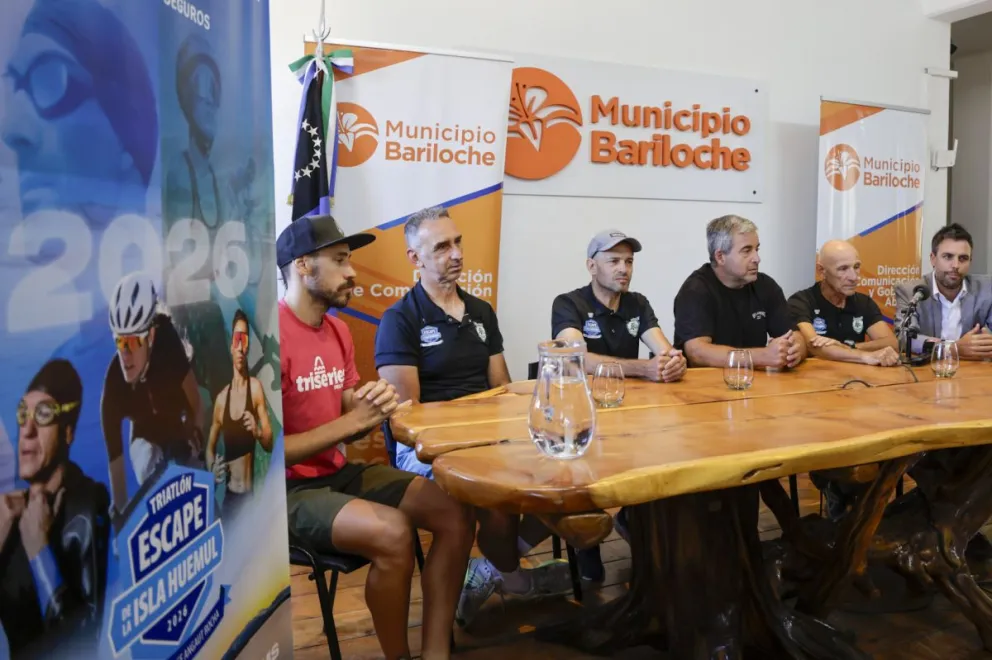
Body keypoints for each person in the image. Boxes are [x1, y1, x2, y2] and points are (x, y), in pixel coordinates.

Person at [278, 213, 473, 660]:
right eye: (341, 260)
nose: (351, 273)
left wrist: (371, 402)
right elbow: (266, 455)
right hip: (285, 491)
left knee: (455, 513)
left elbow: (347, 404)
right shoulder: (268, 336)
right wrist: (352, 422)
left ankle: (436, 650)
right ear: (304, 265)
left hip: (337, 472)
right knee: (392, 532)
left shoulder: (338, 329)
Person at [375, 206, 570, 628]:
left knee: (570, 480)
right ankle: (515, 579)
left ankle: (491, 570)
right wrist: (477, 431)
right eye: (442, 246)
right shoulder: (400, 320)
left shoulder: (481, 312)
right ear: (415, 259)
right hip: (427, 448)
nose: (456, 253)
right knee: (498, 498)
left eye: (458, 242)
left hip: (489, 436)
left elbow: (501, 389)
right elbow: (408, 420)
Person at [549, 228, 686, 580]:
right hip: (581, 415)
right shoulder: (568, 303)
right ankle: (586, 543)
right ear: (591, 266)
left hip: (629, 412)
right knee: (584, 467)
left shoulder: (637, 303)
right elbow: (579, 359)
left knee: (665, 451)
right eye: (614, 261)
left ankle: (633, 518)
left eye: (628, 261)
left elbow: (663, 349)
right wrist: (645, 369)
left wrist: (673, 361)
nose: (623, 268)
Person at [1, 359, 110, 657]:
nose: (27, 429)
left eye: (44, 414)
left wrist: (40, 552)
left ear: (68, 432)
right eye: (23, 414)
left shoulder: (87, 507)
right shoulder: (8, 515)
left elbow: (89, 642)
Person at [101, 272, 204, 529]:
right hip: (145, 433)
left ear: (152, 337)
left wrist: (195, 440)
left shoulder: (168, 343)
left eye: (134, 341)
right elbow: (116, 463)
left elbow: (196, 403)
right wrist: (121, 518)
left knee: (194, 466)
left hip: (177, 419)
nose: (125, 354)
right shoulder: (113, 385)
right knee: (146, 461)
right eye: (119, 341)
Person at [673, 214, 807, 369]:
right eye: (746, 251)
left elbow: (796, 336)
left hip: (754, 383)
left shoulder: (766, 286)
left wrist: (794, 351)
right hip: (706, 386)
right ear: (720, 256)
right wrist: (762, 357)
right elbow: (697, 353)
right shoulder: (695, 290)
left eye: (757, 249)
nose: (757, 258)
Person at [206, 309, 273, 520]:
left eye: (245, 339)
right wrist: (212, 468)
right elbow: (209, 447)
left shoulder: (255, 389)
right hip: (229, 501)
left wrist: (257, 430)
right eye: (237, 339)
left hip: (250, 500)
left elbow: (269, 443)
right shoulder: (221, 399)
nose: (241, 347)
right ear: (231, 345)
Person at [788, 240, 899, 366]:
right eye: (843, 269)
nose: (854, 277)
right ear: (821, 270)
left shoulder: (863, 302)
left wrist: (849, 346)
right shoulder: (801, 301)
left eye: (856, 267)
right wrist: (864, 356)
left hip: (855, 380)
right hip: (815, 379)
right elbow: (813, 345)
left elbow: (892, 343)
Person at [894, 223, 992, 360]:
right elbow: (905, 338)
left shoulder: (987, 289)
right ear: (933, 259)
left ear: (970, 261)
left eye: (963, 258)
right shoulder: (911, 291)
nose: (955, 265)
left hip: (974, 373)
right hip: (928, 372)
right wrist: (953, 349)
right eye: (948, 257)